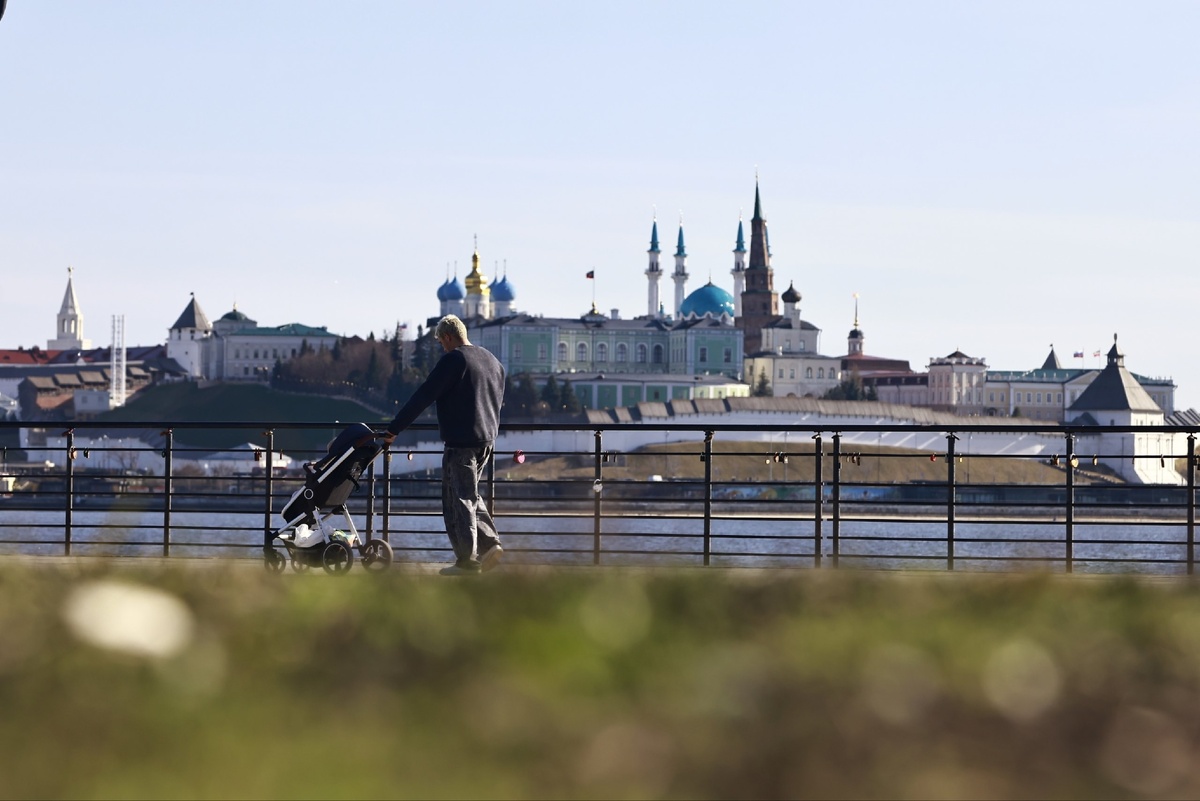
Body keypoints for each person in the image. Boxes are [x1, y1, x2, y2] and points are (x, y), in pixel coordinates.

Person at [382, 315, 505, 575]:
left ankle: (467, 562)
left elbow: (424, 395)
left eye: (441, 342)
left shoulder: (454, 360)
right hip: (486, 439)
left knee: (457, 499)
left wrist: (394, 428)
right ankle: (490, 544)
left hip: (461, 441)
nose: (442, 347)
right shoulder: (491, 360)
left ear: (448, 337)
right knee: (469, 493)